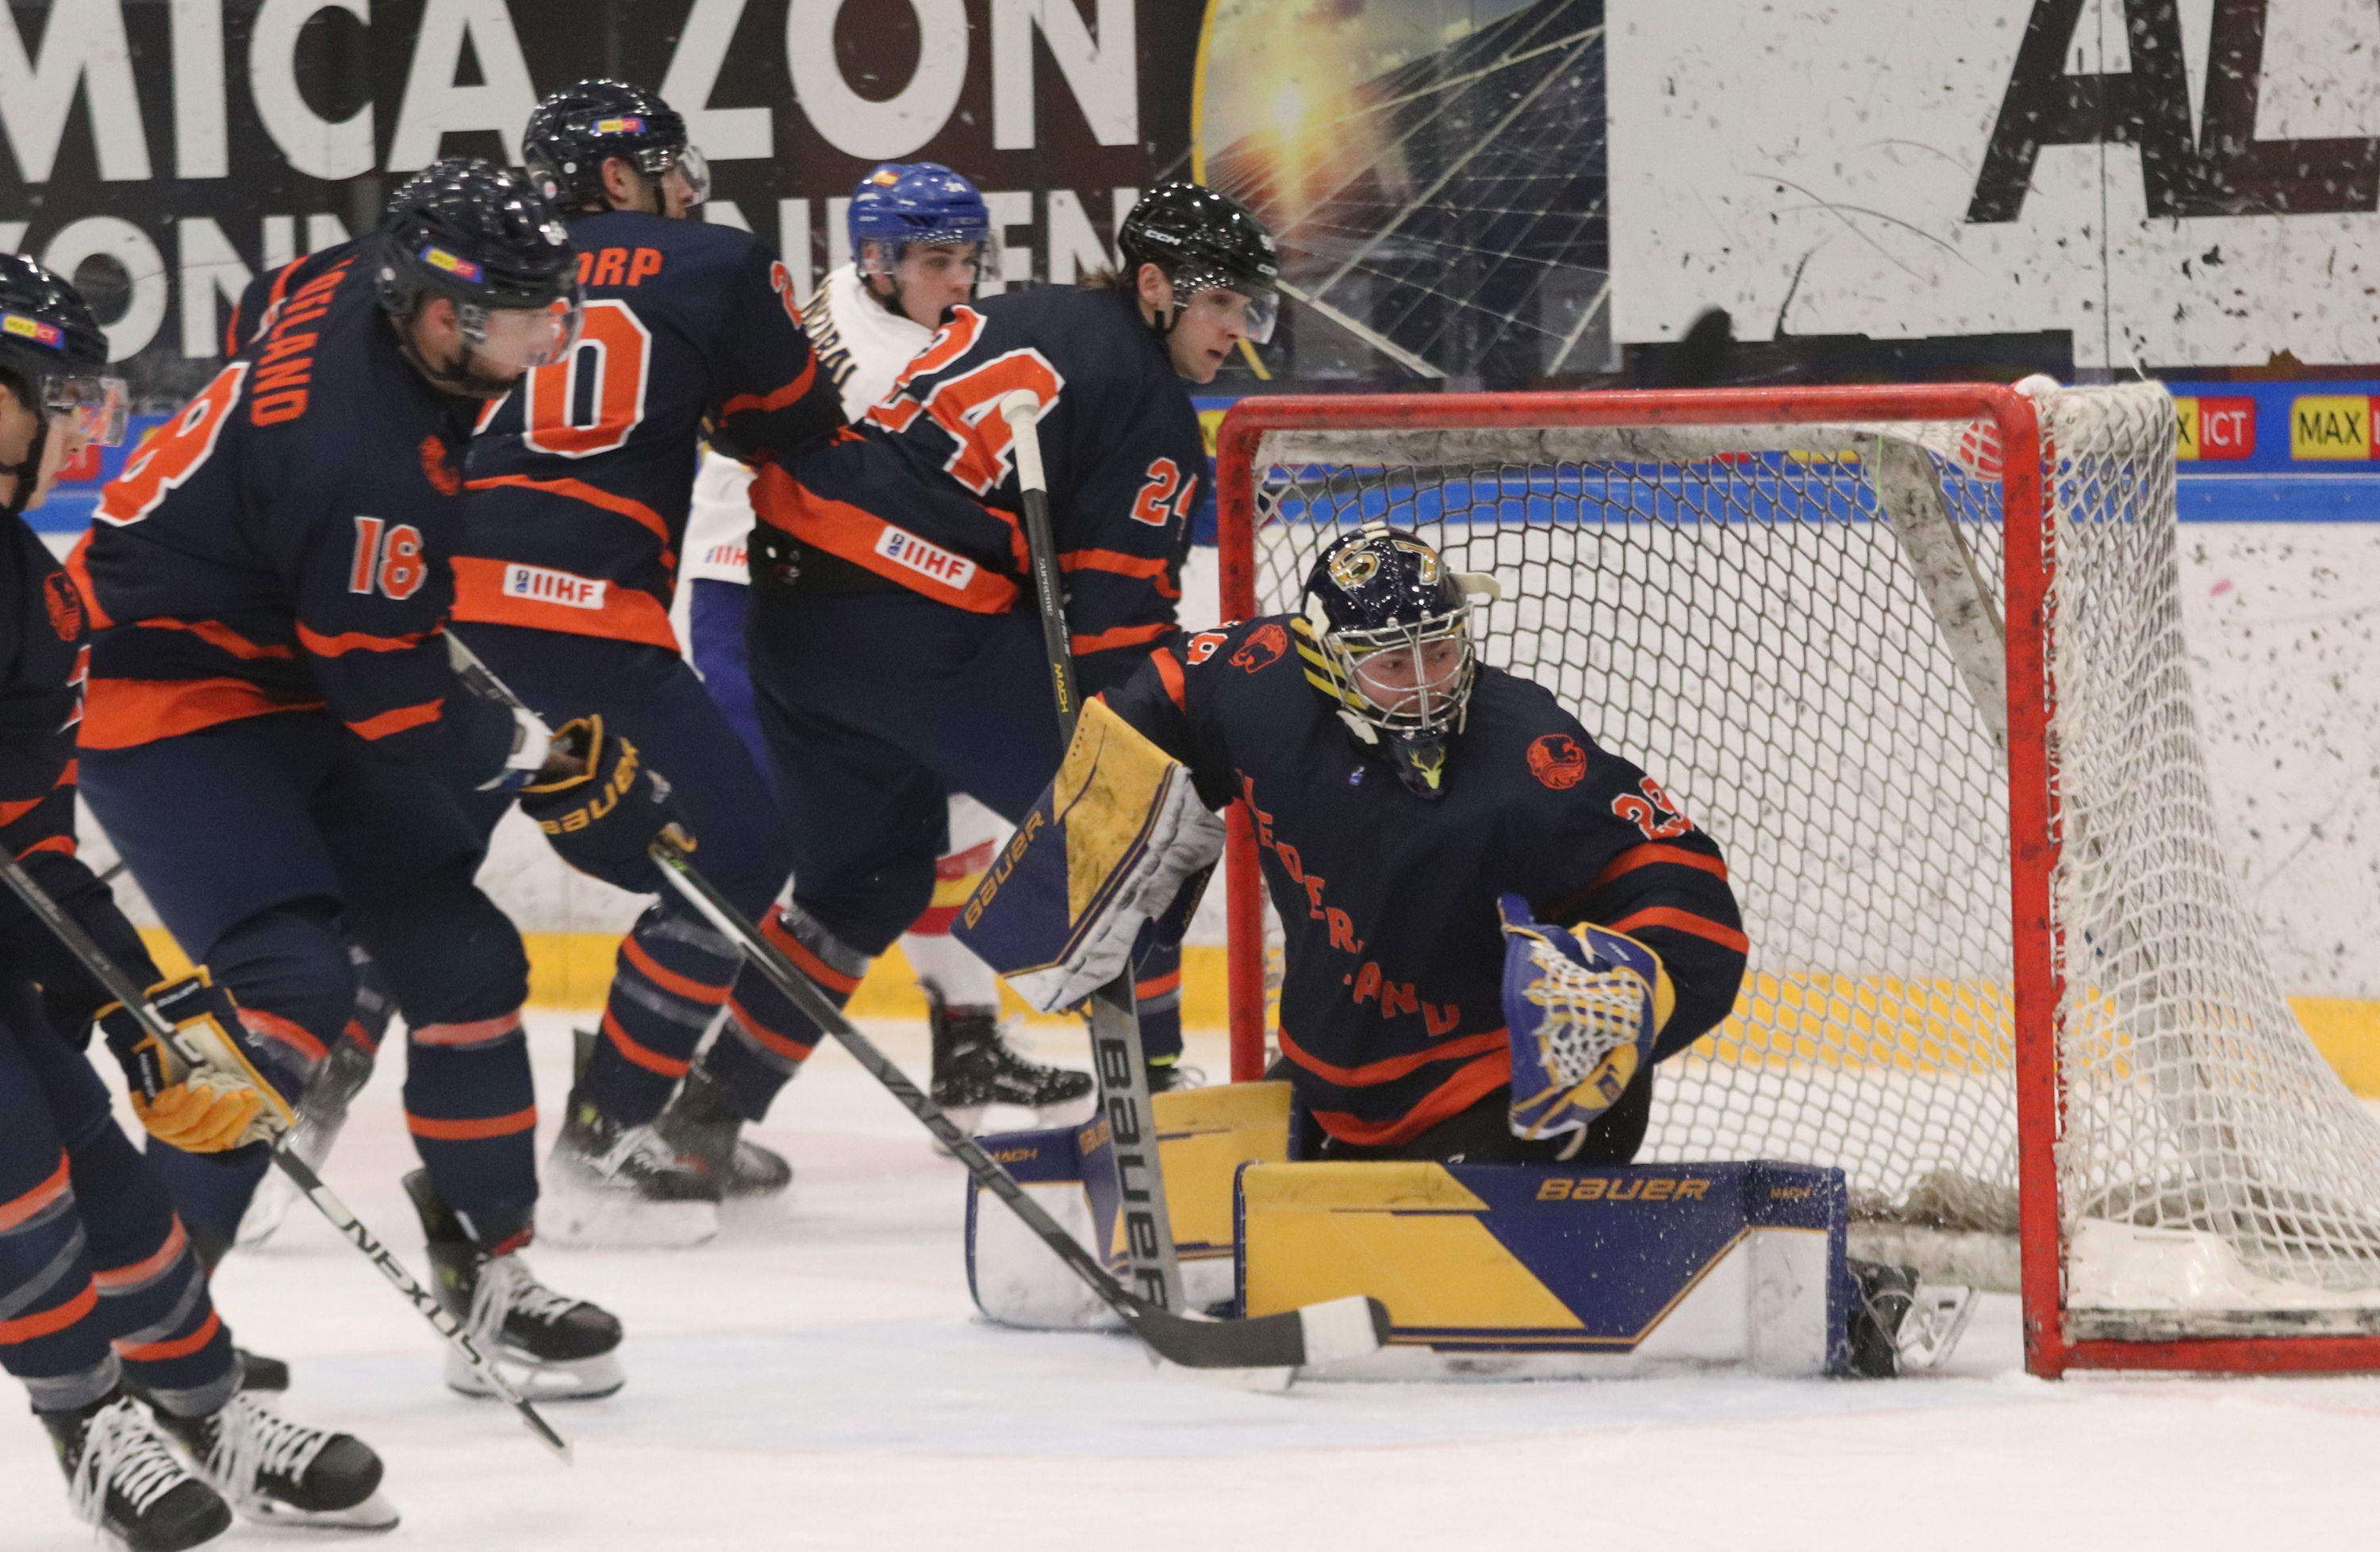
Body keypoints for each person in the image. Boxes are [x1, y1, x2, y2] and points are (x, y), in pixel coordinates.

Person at [72, 158, 671, 1402]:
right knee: (286, 987)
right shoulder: (363, 459)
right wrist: (533, 759)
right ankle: (147, 1338)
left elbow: (268, 312)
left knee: (464, 963)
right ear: (441, 316)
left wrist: (291, 559)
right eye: (522, 316)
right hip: (166, 690)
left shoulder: (358, 281)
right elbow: (391, 700)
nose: (545, 338)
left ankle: (491, 1275)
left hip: (287, 651)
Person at [0, 254, 394, 1548]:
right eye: (47, 392)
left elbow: (33, 843)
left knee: (106, 1173)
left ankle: (203, 1404)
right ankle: (86, 1422)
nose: (72, 422)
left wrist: (138, 998)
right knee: (17, 1176)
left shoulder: (38, 588)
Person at [733, 182, 1276, 1113]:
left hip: (794, 609)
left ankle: (705, 1121)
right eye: (1221, 302)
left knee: (856, 889)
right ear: (1155, 284)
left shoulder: (1023, 314)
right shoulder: (1148, 406)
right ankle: (1154, 1103)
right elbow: (1115, 642)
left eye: (1246, 304)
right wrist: (1198, 730)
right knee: (1133, 829)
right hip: (915, 621)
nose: (1238, 328)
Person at [449, 80, 846, 1241]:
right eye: (668, 168)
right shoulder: (712, 263)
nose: (686, 190)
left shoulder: (478, 267)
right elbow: (794, 421)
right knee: (739, 850)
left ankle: (289, 1120)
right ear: (619, 177)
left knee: (411, 862)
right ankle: (610, 1129)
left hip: (434, 608)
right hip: (581, 618)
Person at [1097, 523, 1750, 1161]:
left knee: (1355, 1267)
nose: (1424, 685)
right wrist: (1104, 805)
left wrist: (1641, 979)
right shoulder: (1262, 684)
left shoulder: (1526, 750)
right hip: (1336, 1078)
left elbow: (1672, 866)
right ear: (1328, 659)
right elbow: (1171, 688)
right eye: (1391, 661)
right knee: (1237, 1240)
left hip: (1501, 1089)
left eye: (1438, 651)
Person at [678, 160, 1092, 1130]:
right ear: (876, 260)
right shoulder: (883, 365)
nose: (961, 281)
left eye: (968, 259)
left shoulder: (858, 309)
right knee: (786, 853)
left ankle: (968, 1041)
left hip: (826, 594)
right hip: (767, 601)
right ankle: (668, 1091)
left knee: (941, 827)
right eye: (937, 260)